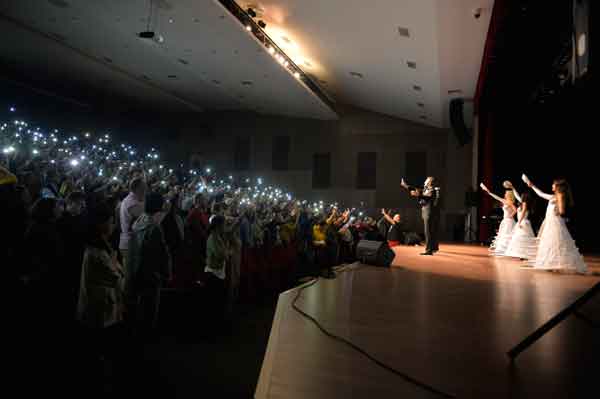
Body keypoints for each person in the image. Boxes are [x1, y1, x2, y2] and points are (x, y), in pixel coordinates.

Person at [77, 202, 126, 360]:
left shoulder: (101, 247)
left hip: (102, 306)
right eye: (111, 222)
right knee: (100, 348)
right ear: (100, 225)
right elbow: (117, 276)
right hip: (99, 308)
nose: (113, 225)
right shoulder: (97, 253)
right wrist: (117, 266)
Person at [128, 192, 172, 333]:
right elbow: (161, 254)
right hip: (150, 273)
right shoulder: (155, 227)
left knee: (140, 306)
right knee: (150, 308)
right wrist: (166, 273)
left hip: (137, 269)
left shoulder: (139, 220)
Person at [525, 177, 586, 273]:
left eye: (553, 184)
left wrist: (555, 211)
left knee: (557, 241)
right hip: (550, 222)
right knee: (550, 241)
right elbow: (541, 194)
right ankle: (551, 263)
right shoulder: (553, 196)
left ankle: (558, 263)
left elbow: (562, 210)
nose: (552, 186)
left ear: (558, 186)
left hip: (555, 221)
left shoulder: (560, 195)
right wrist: (532, 185)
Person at [401, 176, 440, 255]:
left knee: (428, 231)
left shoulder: (432, 190)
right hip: (427, 212)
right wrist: (406, 186)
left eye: (426, 180)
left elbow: (428, 197)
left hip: (429, 212)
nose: (424, 181)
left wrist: (417, 195)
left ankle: (429, 250)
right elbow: (415, 189)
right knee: (431, 231)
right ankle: (434, 248)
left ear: (429, 182)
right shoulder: (426, 189)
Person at [118, 177, 146, 275]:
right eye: (143, 187)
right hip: (129, 244)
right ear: (137, 188)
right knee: (129, 278)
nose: (146, 190)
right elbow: (144, 218)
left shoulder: (136, 200)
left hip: (132, 243)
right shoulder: (130, 202)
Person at [480, 183, 517, 256]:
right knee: (503, 234)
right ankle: (503, 250)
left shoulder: (510, 202)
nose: (505, 194)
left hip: (509, 221)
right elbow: (497, 197)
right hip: (505, 221)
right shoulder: (504, 201)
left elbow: (515, 209)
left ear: (509, 195)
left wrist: (510, 216)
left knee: (508, 235)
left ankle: (508, 249)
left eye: (506, 193)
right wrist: (489, 192)